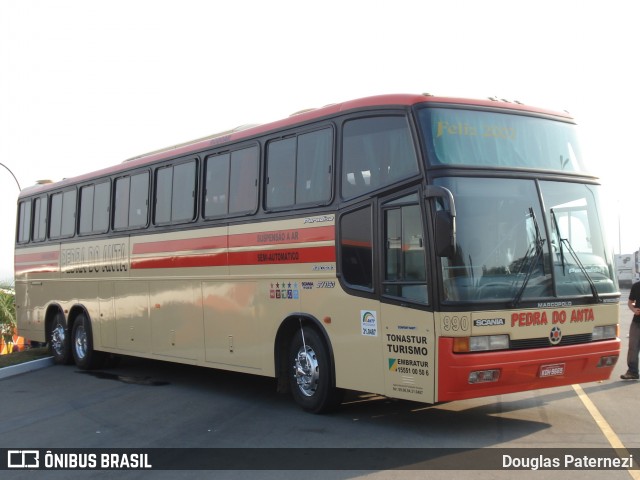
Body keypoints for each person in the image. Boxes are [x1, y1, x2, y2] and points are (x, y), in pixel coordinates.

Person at [621, 281, 640, 380]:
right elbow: (630, 302)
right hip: (637, 322)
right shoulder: (636, 286)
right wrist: (634, 309)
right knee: (633, 346)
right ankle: (632, 372)